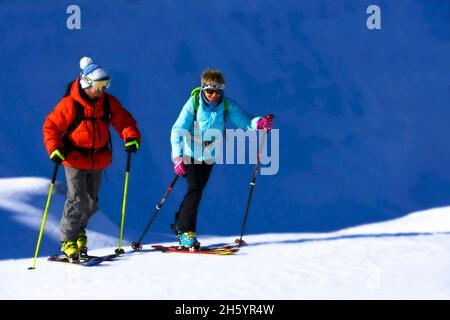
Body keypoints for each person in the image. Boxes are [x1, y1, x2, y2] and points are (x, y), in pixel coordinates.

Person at [43, 57, 141, 259]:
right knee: (76, 200)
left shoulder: (107, 103)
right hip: (74, 159)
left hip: (98, 159)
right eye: (99, 85)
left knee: (91, 203)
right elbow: (51, 126)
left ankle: (79, 231)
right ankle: (67, 241)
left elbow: (124, 120)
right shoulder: (70, 105)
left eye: (106, 84)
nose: (102, 89)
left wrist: (130, 136)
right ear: (86, 83)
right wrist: (54, 148)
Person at [170, 68, 273, 250]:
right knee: (195, 189)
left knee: (197, 190)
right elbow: (178, 129)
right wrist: (177, 157)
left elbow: (245, 121)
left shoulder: (226, 105)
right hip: (190, 153)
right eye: (210, 91)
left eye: (218, 91)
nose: (214, 95)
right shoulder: (193, 104)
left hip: (209, 156)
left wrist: (259, 123)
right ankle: (186, 232)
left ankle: (180, 225)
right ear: (203, 89)